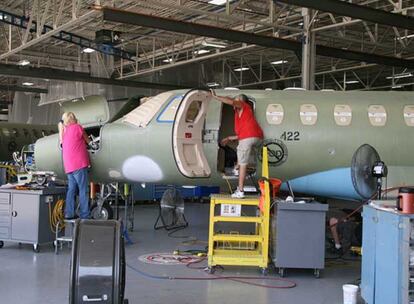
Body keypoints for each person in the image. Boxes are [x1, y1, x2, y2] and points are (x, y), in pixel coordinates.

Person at [210, 90, 264, 198]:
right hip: (257, 138)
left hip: (249, 138)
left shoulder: (243, 105)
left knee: (242, 163)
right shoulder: (242, 114)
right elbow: (245, 134)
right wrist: (230, 138)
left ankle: (240, 190)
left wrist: (216, 97)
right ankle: (244, 167)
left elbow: (231, 102)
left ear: (240, 101)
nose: (234, 102)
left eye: (236, 100)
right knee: (243, 154)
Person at [59, 112, 91, 219]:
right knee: (83, 189)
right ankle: (85, 215)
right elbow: (88, 141)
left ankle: (69, 213)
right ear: (72, 119)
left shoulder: (63, 131)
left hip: (69, 166)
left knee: (71, 189)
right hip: (79, 164)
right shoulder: (77, 127)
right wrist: (91, 143)